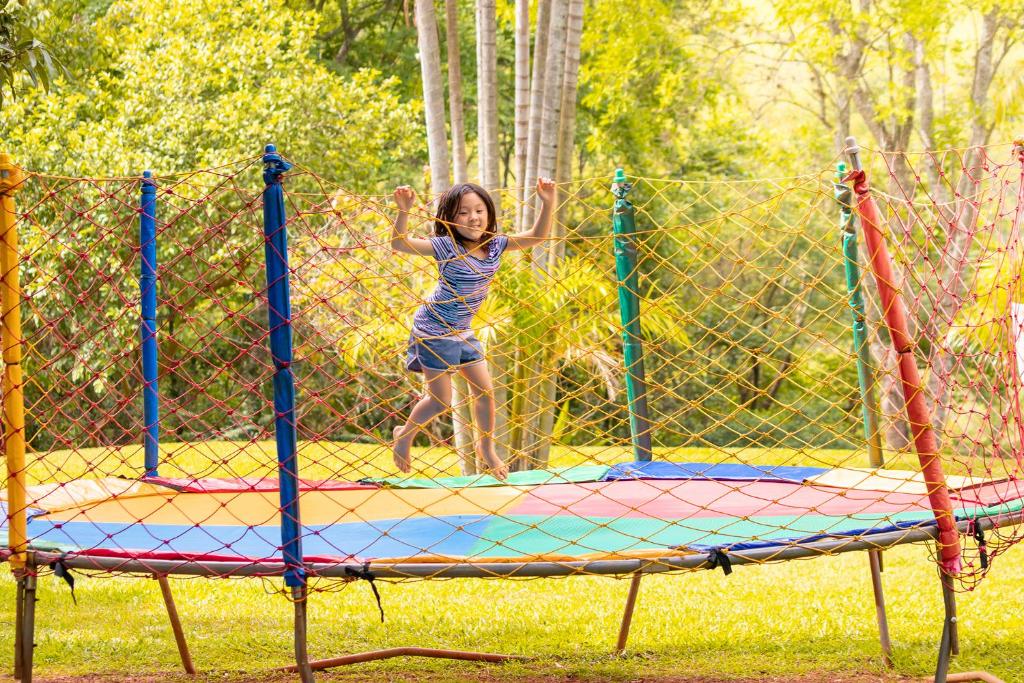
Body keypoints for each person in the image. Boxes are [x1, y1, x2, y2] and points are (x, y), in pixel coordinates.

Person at [390, 178, 557, 479]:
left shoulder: (495, 245)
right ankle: (404, 435)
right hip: (434, 330)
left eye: (479, 210)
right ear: (451, 219)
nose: (473, 218)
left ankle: (486, 448)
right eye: (463, 213)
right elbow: (399, 244)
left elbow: (537, 237)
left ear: (489, 215)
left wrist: (547, 202)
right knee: (440, 399)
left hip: (463, 330)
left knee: (485, 392)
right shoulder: (445, 246)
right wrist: (403, 211)